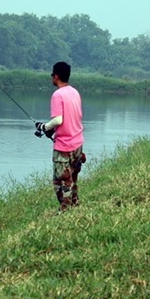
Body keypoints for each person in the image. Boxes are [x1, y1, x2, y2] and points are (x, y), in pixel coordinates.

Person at [34, 61, 85, 211]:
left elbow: (58, 120)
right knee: (73, 178)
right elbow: (71, 118)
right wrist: (52, 130)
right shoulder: (74, 92)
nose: (52, 78)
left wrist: (43, 127)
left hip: (64, 146)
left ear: (56, 76)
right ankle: (74, 204)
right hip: (78, 143)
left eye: (52, 75)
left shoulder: (57, 95)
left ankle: (65, 209)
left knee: (60, 181)